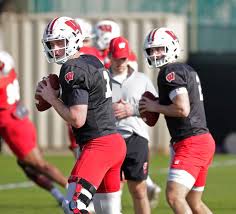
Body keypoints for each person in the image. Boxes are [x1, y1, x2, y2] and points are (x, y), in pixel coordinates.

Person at [36, 16, 126, 214]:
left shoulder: (72, 68)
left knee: (73, 206)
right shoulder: (91, 60)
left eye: (60, 42)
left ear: (74, 39)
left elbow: (77, 118)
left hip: (98, 146)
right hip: (114, 142)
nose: (55, 48)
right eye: (51, 43)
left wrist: (52, 98)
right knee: (108, 212)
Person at [139, 27, 215, 214]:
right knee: (193, 202)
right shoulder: (184, 68)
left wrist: (154, 107)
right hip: (202, 140)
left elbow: (182, 108)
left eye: (160, 49)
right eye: (152, 50)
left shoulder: (170, 72)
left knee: (174, 196)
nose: (155, 54)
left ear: (171, 47)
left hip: (191, 142)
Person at [0, 51, 67, 204]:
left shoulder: (3, 79)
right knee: (27, 166)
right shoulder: (8, 74)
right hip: (17, 121)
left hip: (12, 125)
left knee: (39, 164)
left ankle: (75, 194)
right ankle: (60, 197)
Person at [109, 36, 160, 214]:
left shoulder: (142, 79)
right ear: (109, 56)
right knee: (110, 192)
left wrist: (133, 110)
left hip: (136, 138)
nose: (120, 63)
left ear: (128, 56)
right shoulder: (103, 79)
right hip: (109, 139)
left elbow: (154, 109)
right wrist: (109, 109)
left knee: (138, 190)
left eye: (123, 58)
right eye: (116, 58)